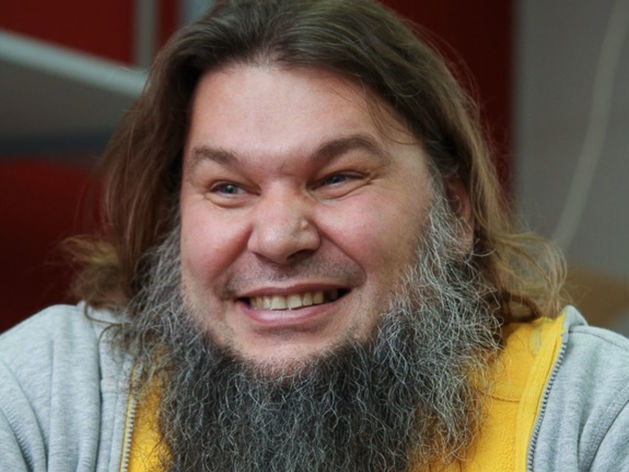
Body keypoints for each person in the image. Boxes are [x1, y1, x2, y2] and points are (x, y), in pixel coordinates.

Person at [1, 0, 628, 470]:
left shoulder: (591, 414)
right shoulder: (57, 397)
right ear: (176, 220)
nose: (278, 238)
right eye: (228, 187)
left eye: (336, 178)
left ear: (456, 212)